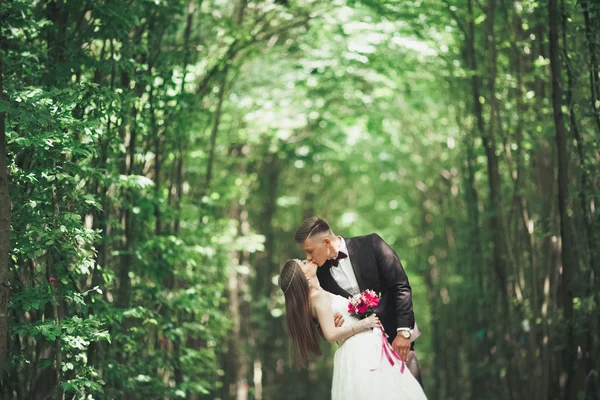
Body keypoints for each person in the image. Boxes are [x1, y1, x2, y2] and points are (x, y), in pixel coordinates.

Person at [295, 216, 423, 385]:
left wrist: (404, 333)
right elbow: (322, 323)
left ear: (326, 241)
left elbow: (400, 286)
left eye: (309, 250)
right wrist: (330, 325)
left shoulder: (371, 244)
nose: (308, 257)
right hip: (362, 355)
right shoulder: (318, 276)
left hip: (397, 341)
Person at [279, 258, 427, 399]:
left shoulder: (317, 295)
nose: (308, 260)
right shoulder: (317, 297)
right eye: (304, 263)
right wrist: (365, 323)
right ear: (304, 276)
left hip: (365, 346)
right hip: (359, 350)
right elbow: (331, 334)